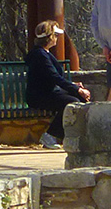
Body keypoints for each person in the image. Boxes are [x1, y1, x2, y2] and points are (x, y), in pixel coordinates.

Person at [25, 19, 91, 148]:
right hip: (39, 96)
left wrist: (74, 86)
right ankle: (50, 136)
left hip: (49, 93)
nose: (57, 38)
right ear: (49, 37)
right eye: (55, 35)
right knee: (72, 102)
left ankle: (78, 136)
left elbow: (54, 78)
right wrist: (77, 89)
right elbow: (54, 77)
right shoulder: (40, 55)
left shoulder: (44, 53)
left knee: (80, 100)